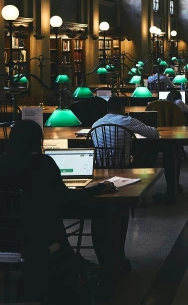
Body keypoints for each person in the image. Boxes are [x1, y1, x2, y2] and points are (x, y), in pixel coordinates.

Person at [0, 120, 113, 304]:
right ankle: (109, 270)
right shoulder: (42, 163)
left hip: (7, 240)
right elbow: (65, 197)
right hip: (43, 241)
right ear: (38, 140)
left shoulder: (3, 164)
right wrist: (97, 189)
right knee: (102, 210)